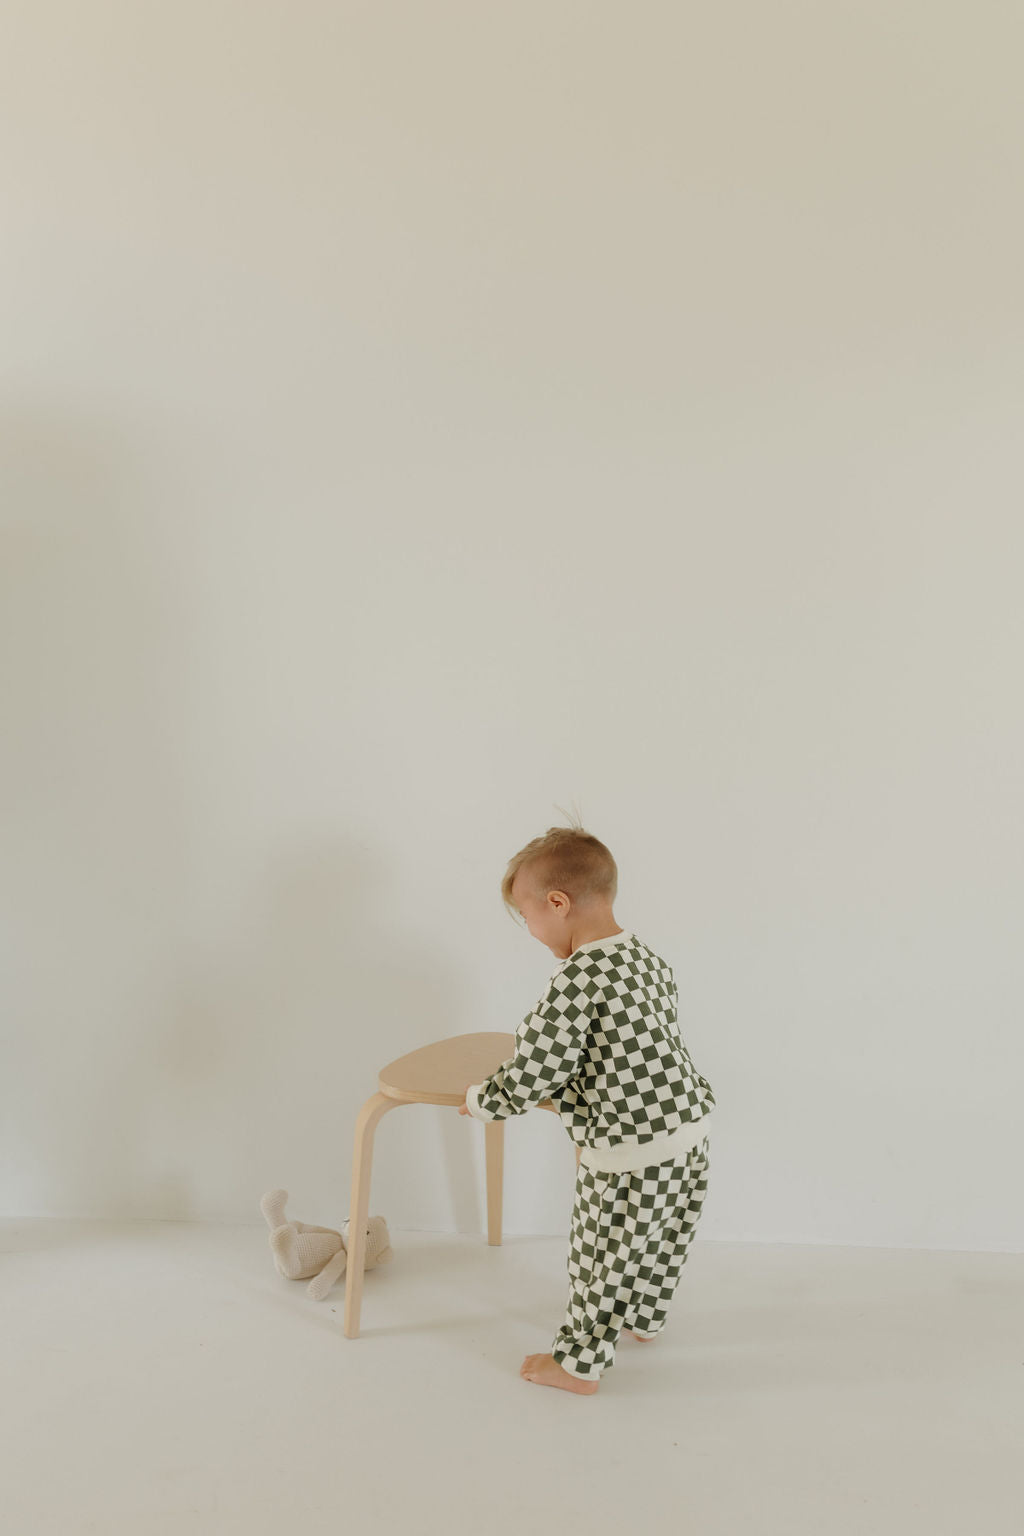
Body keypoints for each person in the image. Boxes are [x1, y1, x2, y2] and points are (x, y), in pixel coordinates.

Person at [457, 822, 715, 1395]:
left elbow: (538, 1066)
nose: (528, 930)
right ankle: (643, 1319)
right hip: (689, 1129)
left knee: (598, 1258)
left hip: (628, 1146)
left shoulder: (577, 978)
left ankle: (578, 1365)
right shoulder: (645, 958)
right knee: (661, 1236)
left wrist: (483, 1101)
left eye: (527, 917)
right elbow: (626, 1043)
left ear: (558, 903)